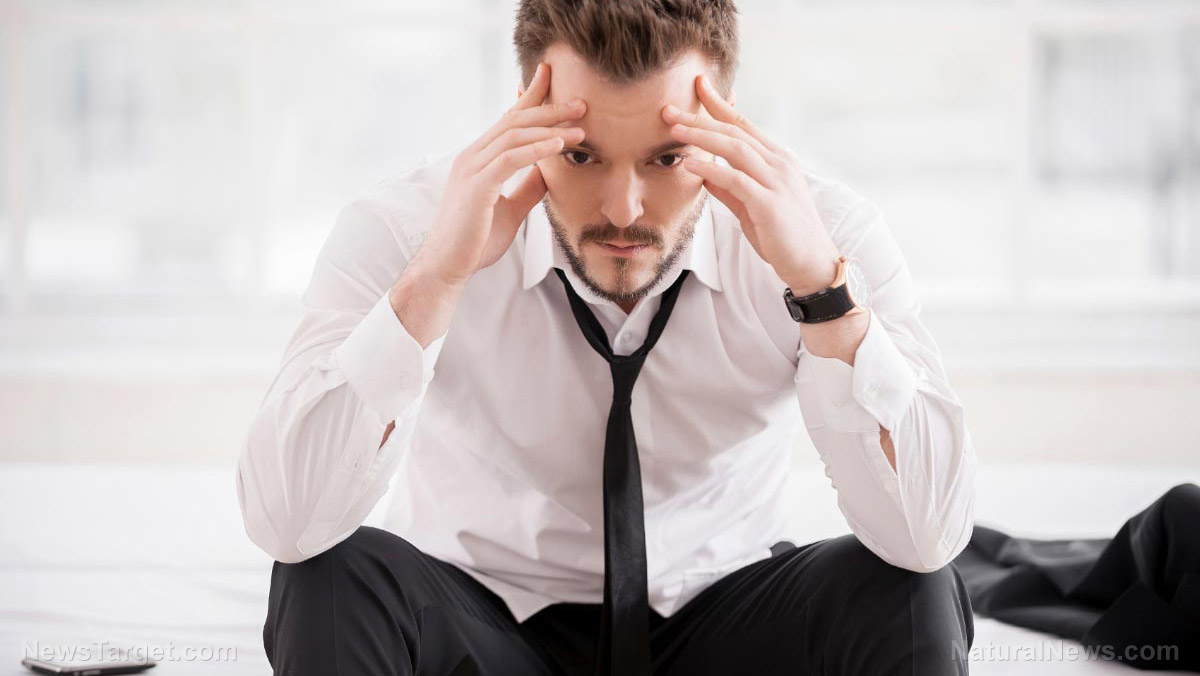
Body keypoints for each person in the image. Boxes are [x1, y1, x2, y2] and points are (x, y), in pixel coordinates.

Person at [236, 1, 978, 674]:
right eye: (582, 155)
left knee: (908, 591)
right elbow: (288, 525)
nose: (623, 211)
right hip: (481, 620)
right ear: (526, 115)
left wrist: (824, 296)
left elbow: (929, 538)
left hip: (720, 617)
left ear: (723, 126)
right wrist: (433, 281)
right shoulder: (405, 230)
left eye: (667, 158)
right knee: (328, 576)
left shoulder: (826, 236)